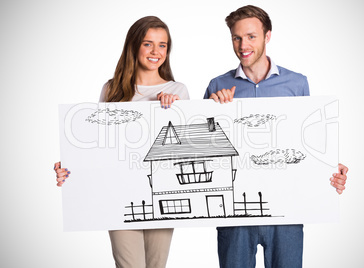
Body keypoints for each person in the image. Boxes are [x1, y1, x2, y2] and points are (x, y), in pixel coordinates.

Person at [203, 5, 348, 268]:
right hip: (236, 216)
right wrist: (211, 111)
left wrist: (330, 170)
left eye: (251, 36)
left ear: (267, 36)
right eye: (236, 37)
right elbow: (203, 148)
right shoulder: (218, 86)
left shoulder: (297, 84)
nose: (243, 44)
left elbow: (309, 144)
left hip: (286, 212)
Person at [54, 16, 189, 268]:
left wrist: (178, 111)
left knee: (156, 265)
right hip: (117, 194)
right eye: (148, 44)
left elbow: (184, 149)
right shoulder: (112, 89)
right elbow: (98, 145)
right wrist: (71, 166)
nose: (155, 51)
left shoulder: (178, 91)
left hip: (159, 192)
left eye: (162, 45)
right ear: (134, 45)